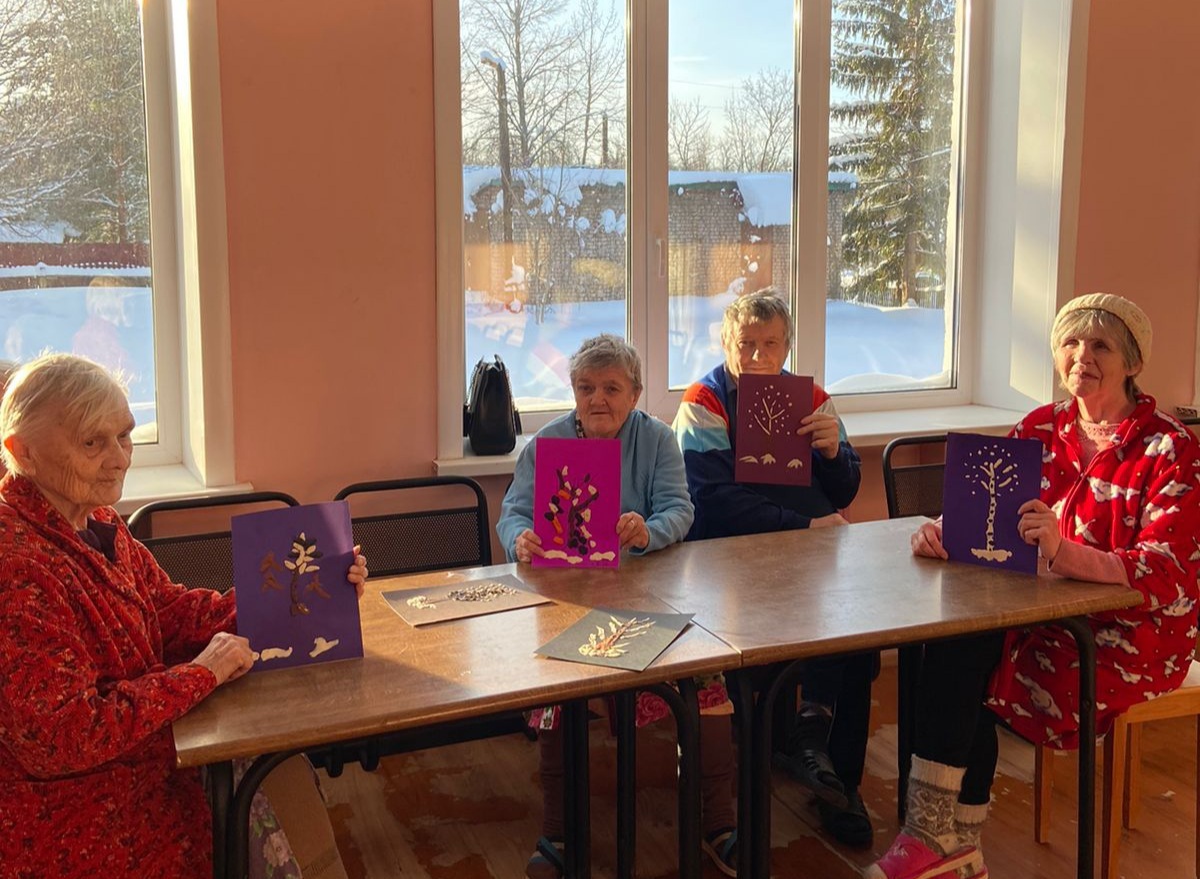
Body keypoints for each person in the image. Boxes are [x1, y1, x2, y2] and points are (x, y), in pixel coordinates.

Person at [868, 293, 1200, 879]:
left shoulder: (1170, 447)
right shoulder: (1041, 426)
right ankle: (942, 840)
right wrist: (944, 530)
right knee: (954, 642)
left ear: (1133, 362)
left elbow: (1167, 570)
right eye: (1070, 343)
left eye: (1101, 346)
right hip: (1038, 611)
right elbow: (986, 509)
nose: (1082, 357)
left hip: (1126, 634)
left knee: (971, 668)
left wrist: (1063, 552)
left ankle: (944, 841)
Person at [0, 353, 370, 879]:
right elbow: (62, 736)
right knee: (271, 782)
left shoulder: (96, 519)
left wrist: (311, 591)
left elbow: (168, 610)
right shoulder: (15, 565)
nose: (119, 459)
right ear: (23, 452)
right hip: (82, 816)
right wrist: (200, 674)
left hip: (151, 764)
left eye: (125, 435)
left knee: (281, 768)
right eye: (92, 443)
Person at [497, 335, 738, 878]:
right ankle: (558, 828)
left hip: (648, 594)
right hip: (566, 597)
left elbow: (680, 509)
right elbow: (512, 513)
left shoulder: (657, 439)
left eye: (611, 388)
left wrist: (646, 530)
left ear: (635, 394)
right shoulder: (545, 444)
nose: (597, 399)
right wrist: (519, 539)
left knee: (707, 679)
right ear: (573, 391)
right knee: (557, 692)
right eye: (586, 388)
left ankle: (718, 820)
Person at [672, 288, 878, 848]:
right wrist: (803, 526)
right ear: (726, 344)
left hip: (811, 557)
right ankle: (791, 743)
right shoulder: (705, 401)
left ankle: (836, 773)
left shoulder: (811, 398)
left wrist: (834, 454)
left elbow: (846, 489)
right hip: (727, 563)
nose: (759, 356)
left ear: (787, 346)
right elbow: (710, 499)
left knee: (859, 638)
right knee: (783, 632)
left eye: (771, 344)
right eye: (747, 344)